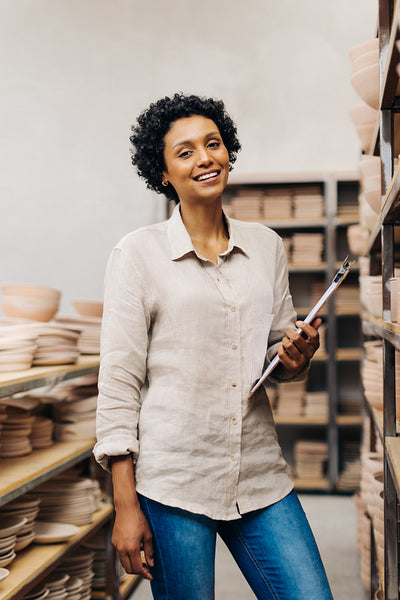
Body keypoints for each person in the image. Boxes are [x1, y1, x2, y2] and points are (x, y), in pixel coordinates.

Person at [94, 93, 333, 600]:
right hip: (173, 480)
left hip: (260, 474)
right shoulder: (137, 254)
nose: (205, 158)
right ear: (162, 173)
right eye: (185, 152)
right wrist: (126, 506)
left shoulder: (266, 244)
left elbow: (275, 356)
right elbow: (119, 382)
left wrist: (294, 356)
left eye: (213, 144)